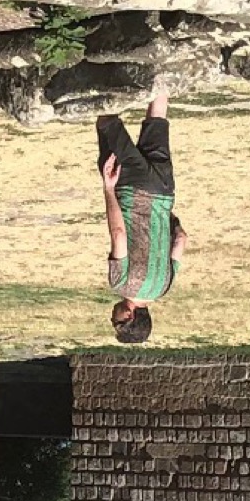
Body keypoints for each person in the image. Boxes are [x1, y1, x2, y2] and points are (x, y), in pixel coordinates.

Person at [96, 88, 182, 344]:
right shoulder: (120, 284)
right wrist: (108, 189)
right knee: (106, 121)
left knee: (157, 118)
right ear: (130, 317)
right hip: (132, 188)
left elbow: (181, 239)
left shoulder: (165, 286)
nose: (112, 318)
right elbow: (118, 234)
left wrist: (163, 213)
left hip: (164, 191)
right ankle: (109, 72)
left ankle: (163, 75)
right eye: (117, 322)